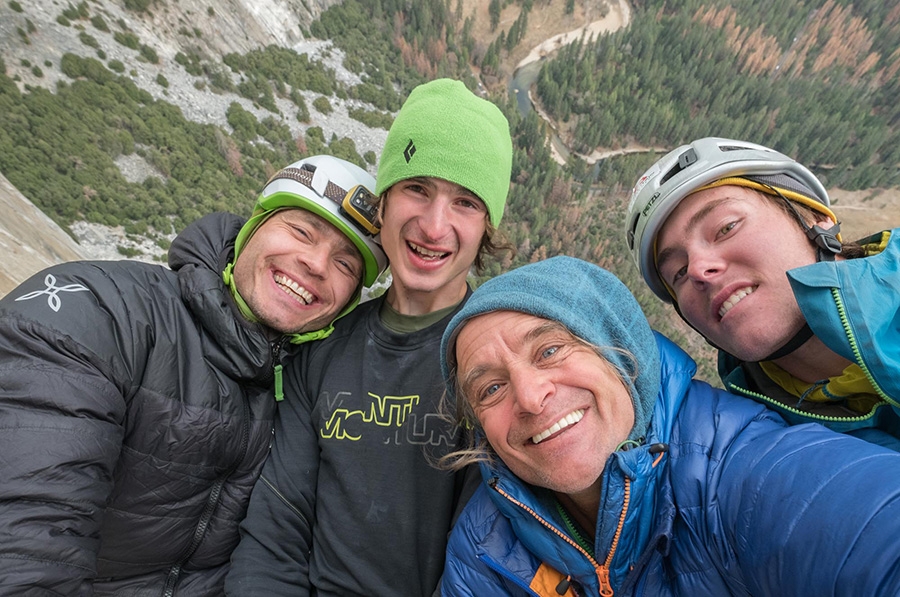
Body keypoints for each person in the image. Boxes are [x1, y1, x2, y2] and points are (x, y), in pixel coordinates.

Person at [0, 155, 387, 595]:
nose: (317, 264)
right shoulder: (98, 314)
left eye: (345, 265)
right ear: (252, 227)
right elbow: (28, 538)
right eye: (301, 231)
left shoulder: (314, 388)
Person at [437, 255, 900, 596]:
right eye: (490, 389)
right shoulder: (485, 549)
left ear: (619, 353)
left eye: (551, 350)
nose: (531, 397)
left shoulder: (734, 472)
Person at [226, 78, 514, 596]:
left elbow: (494, 555)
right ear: (383, 203)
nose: (433, 226)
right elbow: (275, 531)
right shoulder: (323, 350)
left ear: (486, 227)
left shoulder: (501, 356)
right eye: (416, 189)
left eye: (466, 203)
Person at [625, 137, 900, 448]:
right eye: (677, 272)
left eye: (727, 227)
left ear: (815, 219)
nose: (698, 270)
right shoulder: (755, 444)